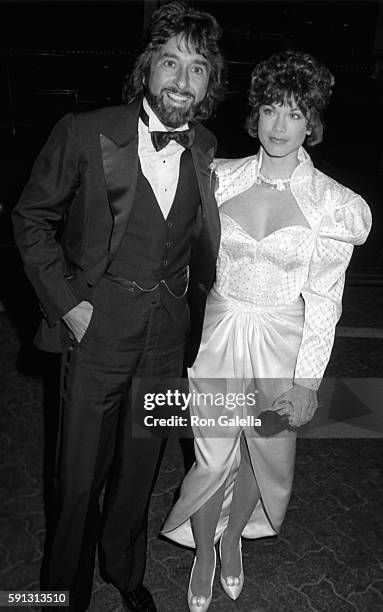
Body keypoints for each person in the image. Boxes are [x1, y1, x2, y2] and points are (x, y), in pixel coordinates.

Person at [12, 2, 225, 611]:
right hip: (97, 333)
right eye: (170, 62)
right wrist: (67, 304)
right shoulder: (84, 131)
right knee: (78, 480)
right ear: (146, 68)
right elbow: (30, 220)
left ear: (211, 84)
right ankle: (60, 593)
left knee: (141, 470)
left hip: (166, 341)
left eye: (199, 68)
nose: (183, 81)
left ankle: (126, 573)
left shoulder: (207, 147)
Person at [161, 50, 372, 611]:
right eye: (272, 109)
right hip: (221, 332)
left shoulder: (332, 205)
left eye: (295, 113)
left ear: (313, 123)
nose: (281, 125)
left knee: (261, 454)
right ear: (255, 114)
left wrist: (307, 381)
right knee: (211, 456)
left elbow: (326, 299)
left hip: (284, 342)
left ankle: (233, 541)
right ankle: (204, 550)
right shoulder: (219, 177)